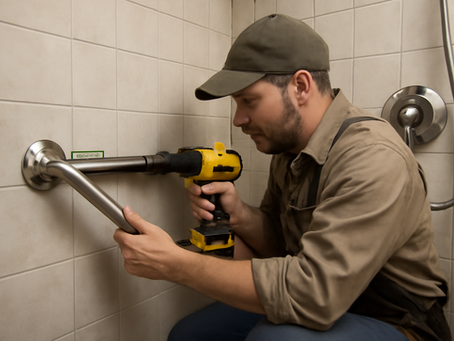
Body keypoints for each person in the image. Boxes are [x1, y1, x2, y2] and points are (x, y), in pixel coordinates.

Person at [113, 14, 451, 341]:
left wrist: (175, 264)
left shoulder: (372, 156)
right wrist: (241, 216)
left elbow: (314, 294)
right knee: (190, 335)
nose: (238, 119)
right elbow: (280, 246)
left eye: (249, 100)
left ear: (300, 86)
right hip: (334, 304)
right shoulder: (290, 149)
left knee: (276, 338)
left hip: (395, 322)